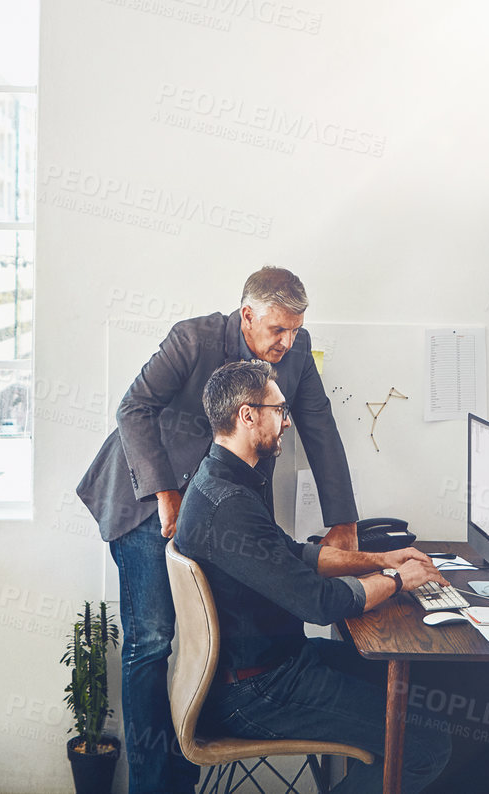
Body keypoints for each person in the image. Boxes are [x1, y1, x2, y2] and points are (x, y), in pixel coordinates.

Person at [76, 267, 361, 794]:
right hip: (146, 500)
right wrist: (166, 492)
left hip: (220, 509)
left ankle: (187, 769)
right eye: (278, 329)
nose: (288, 342)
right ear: (247, 315)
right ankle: (152, 787)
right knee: (154, 645)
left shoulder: (296, 352)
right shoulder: (193, 339)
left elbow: (320, 426)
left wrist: (343, 523)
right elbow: (133, 408)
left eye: (296, 329)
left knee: (213, 643)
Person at [175, 360, 455, 794]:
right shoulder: (228, 504)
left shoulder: (220, 481)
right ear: (247, 416)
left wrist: (384, 558)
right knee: (425, 745)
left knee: (416, 691)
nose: (286, 422)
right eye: (279, 410)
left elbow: (296, 555)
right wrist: (400, 581)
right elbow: (319, 604)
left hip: (275, 666)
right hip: (257, 691)